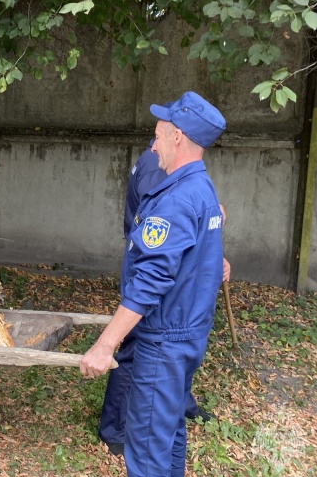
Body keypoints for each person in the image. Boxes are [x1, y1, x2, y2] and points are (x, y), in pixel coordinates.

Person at [80, 91, 227, 477]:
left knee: (145, 442)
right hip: (185, 335)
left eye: (159, 134)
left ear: (177, 137)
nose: (154, 143)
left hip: (163, 341)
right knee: (168, 432)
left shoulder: (178, 199)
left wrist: (105, 343)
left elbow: (150, 281)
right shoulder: (200, 187)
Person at [98, 142, 230, 457]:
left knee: (168, 364)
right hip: (151, 275)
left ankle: (178, 404)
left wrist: (211, 255)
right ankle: (115, 427)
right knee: (132, 350)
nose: (157, 143)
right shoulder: (156, 166)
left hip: (171, 288)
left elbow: (186, 229)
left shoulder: (183, 174)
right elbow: (162, 230)